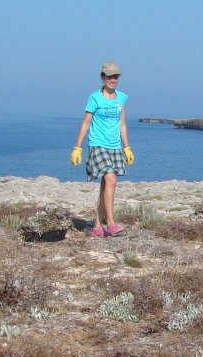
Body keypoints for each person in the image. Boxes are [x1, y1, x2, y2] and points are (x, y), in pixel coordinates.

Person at [71, 61, 133, 237]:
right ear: (103, 77)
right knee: (111, 180)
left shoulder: (121, 98)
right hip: (98, 145)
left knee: (106, 184)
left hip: (115, 146)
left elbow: (122, 124)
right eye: (109, 76)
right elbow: (86, 122)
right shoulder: (94, 98)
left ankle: (97, 226)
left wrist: (127, 147)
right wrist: (77, 147)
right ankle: (111, 223)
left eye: (115, 76)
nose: (112, 79)